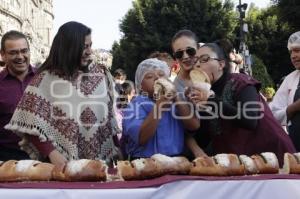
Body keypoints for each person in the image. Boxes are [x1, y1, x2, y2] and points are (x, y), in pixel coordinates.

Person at [5, 21, 120, 168]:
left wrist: (115, 146)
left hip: (101, 164)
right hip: (61, 166)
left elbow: (108, 117)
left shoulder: (100, 75)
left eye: (90, 45)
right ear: (69, 47)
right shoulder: (44, 80)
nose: (90, 51)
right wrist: (52, 153)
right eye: (84, 47)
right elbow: (30, 122)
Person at [186, 39, 295, 165]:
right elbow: (204, 138)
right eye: (196, 61)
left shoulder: (241, 82)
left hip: (274, 158)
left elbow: (250, 120)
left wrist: (211, 101)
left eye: (204, 59)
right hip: (241, 165)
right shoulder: (205, 94)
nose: (198, 65)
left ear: (221, 64)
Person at [121, 58, 200, 159]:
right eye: (149, 76)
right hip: (146, 162)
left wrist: (177, 98)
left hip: (176, 160)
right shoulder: (135, 105)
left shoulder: (176, 101)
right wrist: (159, 106)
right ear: (140, 86)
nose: (157, 78)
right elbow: (141, 138)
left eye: (161, 74)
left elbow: (193, 126)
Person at [0, 30, 35, 161]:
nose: (20, 56)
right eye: (13, 52)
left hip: (45, 160)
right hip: (7, 160)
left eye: (24, 51)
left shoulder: (45, 79)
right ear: (3, 55)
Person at [270, 31, 300, 150]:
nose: (293, 56)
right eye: (291, 52)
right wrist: (294, 107)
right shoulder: (290, 79)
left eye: (297, 50)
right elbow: (273, 113)